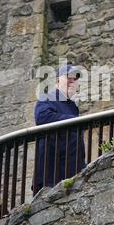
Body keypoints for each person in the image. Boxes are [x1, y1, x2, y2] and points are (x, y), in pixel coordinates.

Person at [33, 65, 86, 194]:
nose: (72, 80)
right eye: (68, 77)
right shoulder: (48, 97)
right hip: (51, 174)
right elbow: (42, 117)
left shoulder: (73, 107)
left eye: (75, 78)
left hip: (72, 173)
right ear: (58, 80)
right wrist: (73, 121)